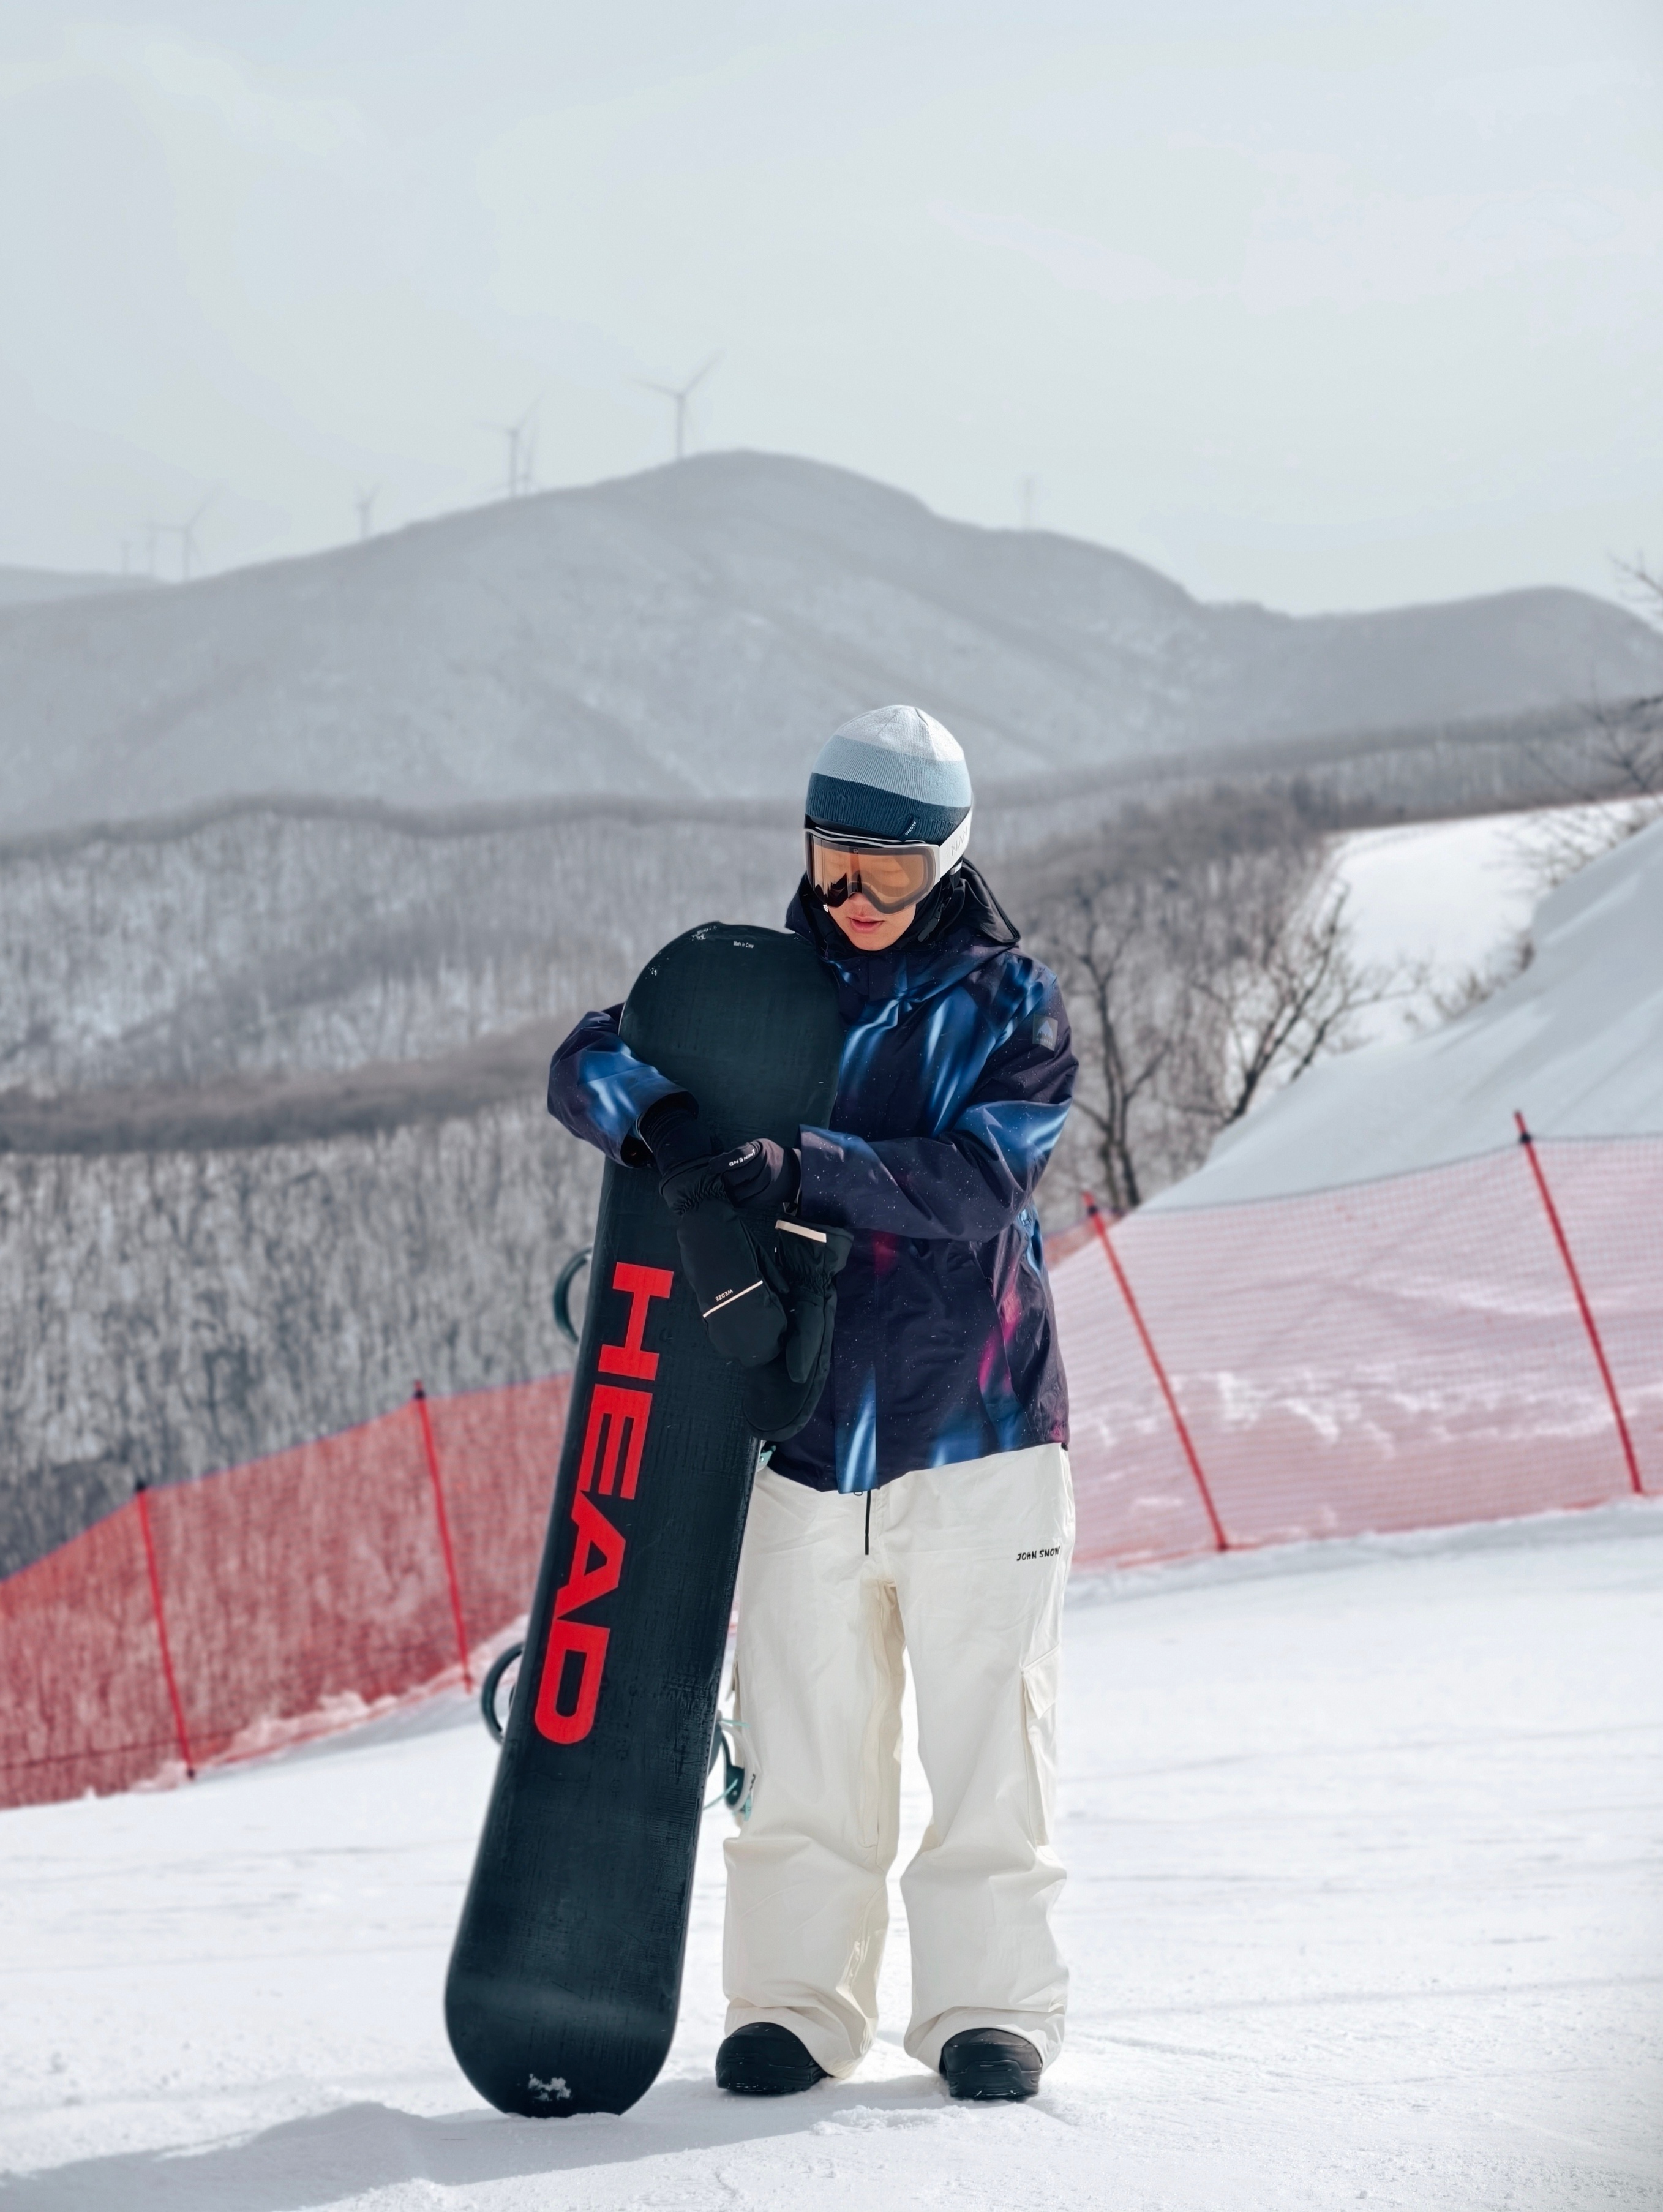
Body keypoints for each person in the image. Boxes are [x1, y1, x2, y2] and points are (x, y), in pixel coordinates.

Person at [547, 704, 1077, 2103]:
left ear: (946, 865)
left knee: (984, 1735)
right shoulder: (764, 988)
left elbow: (980, 1184)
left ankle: (987, 2009)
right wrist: (655, 1120)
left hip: (978, 1434)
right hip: (796, 1438)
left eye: (886, 878)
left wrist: (805, 1167)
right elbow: (586, 1061)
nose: (850, 900)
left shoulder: (1008, 1003)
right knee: (800, 1743)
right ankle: (795, 2003)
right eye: (832, 862)